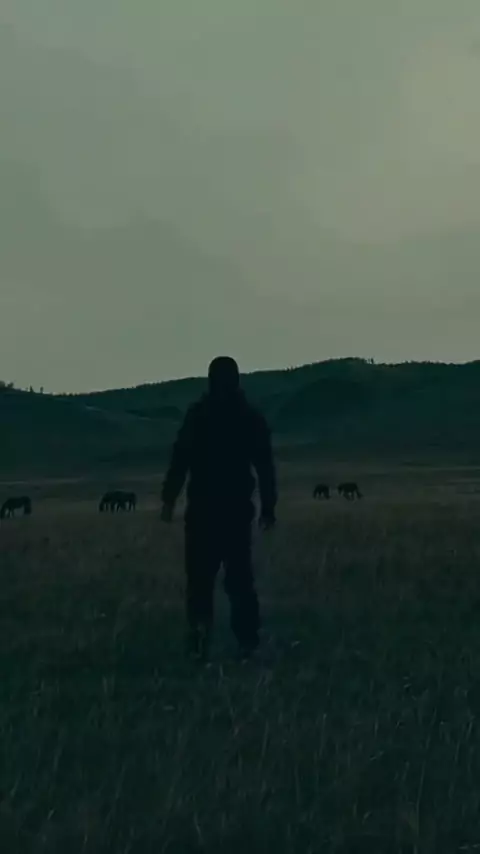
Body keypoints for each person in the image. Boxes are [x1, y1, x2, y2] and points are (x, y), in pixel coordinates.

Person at [160, 356, 277, 661]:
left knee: (204, 581)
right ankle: (244, 642)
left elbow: (179, 460)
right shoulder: (247, 416)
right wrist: (268, 507)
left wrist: (169, 500)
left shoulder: (200, 415)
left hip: (206, 511)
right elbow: (265, 466)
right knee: (236, 580)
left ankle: (205, 642)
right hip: (232, 512)